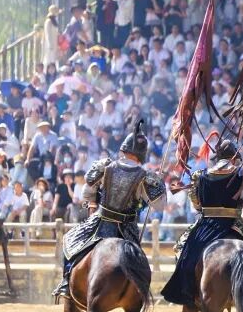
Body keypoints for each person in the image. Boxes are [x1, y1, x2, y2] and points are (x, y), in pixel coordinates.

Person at [52, 121, 166, 299]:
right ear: (142, 155)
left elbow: (86, 192)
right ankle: (140, 292)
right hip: (127, 230)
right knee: (139, 263)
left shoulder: (105, 166)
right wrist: (158, 184)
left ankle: (66, 282)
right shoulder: (146, 176)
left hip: (100, 224)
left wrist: (92, 204)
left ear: (123, 150)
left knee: (71, 243)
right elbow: (159, 206)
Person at [160, 134, 243, 308]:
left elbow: (196, 206)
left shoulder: (199, 175)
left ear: (217, 157)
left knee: (182, 251)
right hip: (234, 225)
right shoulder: (241, 173)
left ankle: (190, 293)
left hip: (205, 225)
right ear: (234, 157)